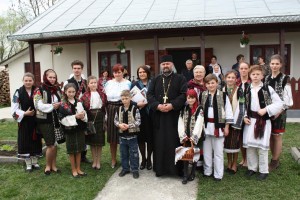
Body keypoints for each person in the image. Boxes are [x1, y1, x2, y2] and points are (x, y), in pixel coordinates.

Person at [147, 55, 187, 177]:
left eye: (168, 64)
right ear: (161, 66)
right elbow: (149, 95)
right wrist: (157, 106)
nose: (166, 66)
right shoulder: (155, 79)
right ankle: (160, 169)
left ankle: (176, 170)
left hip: (174, 117)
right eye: (163, 64)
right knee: (159, 143)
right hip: (159, 117)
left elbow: (184, 94)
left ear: (172, 65)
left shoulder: (180, 78)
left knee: (175, 142)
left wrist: (172, 105)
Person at [243, 65, 283, 181]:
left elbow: (279, 103)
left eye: (257, 74)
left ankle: (263, 170)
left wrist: (266, 109)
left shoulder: (267, 89)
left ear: (262, 76)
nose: (255, 76)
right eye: (253, 74)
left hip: (263, 121)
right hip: (250, 121)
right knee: (250, 146)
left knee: (262, 147)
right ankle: (252, 168)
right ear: (250, 76)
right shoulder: (247, 89)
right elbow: (243, 105)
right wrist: (245, 116)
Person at [200, 74, 234, 181]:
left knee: (218, 152)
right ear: (205, 85)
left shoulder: (223, 95)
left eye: (212, 83)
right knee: (207, 151)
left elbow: (228, 111)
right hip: (206, 127)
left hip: (218, 127)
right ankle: (207, 171)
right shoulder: (203, 95)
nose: (211, 85)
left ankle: (218, 174)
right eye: (208, 83)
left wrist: (227, 126)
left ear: (217, 83)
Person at [264, 54, 293, 171]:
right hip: (269, 110)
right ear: (269, 64)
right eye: (272, 63)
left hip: (279, 112)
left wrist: (279, 111)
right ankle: (274, 157)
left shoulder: (285, 78)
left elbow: (287, 98)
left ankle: (275, 161)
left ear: (281, 65)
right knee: (270, 135)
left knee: (277, 136)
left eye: (277, 64)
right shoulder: (266, 78)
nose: (274, 66)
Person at [11, 72, 42, 172]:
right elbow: (13, 110)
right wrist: (25, 113)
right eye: (26, 80)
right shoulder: (17, 92)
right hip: (24, 121)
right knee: (25, 141)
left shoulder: (37, 91)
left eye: (30, 80)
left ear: (33, 81)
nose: (28, 82)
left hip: (35, 121)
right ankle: (28, 163)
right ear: (23, 81)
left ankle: (35, 161)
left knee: (36, 140)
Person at [33, 69, 62, 175]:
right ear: (45, 77)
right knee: (50, 145)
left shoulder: (57, 88)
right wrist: (52, 106)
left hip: (56, 119)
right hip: (45, 120)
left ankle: (54, 165)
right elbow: (38, 105)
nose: (52, 79)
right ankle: (48, 166)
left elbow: (61, 100)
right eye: (50, 77)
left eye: (54, 77)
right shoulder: (39, 89)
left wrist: (60, 104)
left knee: (55, 144)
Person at [63, 60, 90, 164]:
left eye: (79, 68)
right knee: (74, 131)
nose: (77, 70)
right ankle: (75, 153)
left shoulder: (85, 81)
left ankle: (83, 155)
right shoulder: (68, 82)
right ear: (72, 69)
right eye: (75, 68)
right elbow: (64, 96)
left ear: (82, 69)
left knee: (84, 132)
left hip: (83, 108)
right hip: (71, 110)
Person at [105, 64, 131, 168]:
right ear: (113, 73)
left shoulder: (128, 83)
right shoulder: (108, 83)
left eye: (119, 72)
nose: (117, 74)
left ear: (123, 72)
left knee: (125, 134)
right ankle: (113, 159)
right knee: (112, 137)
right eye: (115, 72)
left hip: (123, 108)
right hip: (111, 108)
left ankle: (126, 159)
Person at [59, 83, 87, 178]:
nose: (71, 93)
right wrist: (75, 116)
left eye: (73, 92)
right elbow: (62, 119)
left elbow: (84, 113)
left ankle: (78, 168)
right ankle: (73, 169)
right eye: (69, 92)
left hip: (79, 128)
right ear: (65, 92)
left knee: (79, 149)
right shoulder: (63, 104)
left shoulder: (79, 102)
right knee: (72, 150)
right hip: (69, 130)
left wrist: (83, 115)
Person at [176, 89, 204, 184]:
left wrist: (194, 136)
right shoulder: (184, 109)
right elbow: (180, 121)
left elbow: (199, 123)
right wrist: (183, 135)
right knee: (185, 155)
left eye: (192, 98)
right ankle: (185, 174)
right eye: (189, 98)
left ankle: (192, 173)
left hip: (195, 136)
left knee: (194, 154)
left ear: (196, 98)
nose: (191, 100)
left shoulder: (200, 109)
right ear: (186, 98)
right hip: (186, 136)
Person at [80, 76, 107, 170]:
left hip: (100, 117)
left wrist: (105, 120)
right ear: (88, 84)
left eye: (95, 82)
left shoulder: (102, 95)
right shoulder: (84, 96)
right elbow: (82, 108)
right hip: (90, 118)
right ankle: (94, 161)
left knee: (99, 142)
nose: (93, 84)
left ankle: (98, 161)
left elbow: (105, 108)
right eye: (91, 83)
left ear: (97, 83)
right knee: (92, 142)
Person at [114, 90, 141, 179]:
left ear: (130, 98)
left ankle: (135, 169)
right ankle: (125, 168)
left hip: (132, 136)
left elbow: (138, 121)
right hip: (122, 137)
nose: (124, 100)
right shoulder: (118, 109)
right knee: (123, 153)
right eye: (123, 99)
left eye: (126, 98)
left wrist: (128, 126)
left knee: (134, 153)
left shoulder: (135, 109)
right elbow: (115, 120)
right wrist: (119, 125)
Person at [130, 65, 153, 170]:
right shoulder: (134, 84)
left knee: (150, 138)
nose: (142, 74)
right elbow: (130, 99)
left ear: (147, 72)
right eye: (140, 72)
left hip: (152, 113)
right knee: (141, 138)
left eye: (144, 72)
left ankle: (149, 159)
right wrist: (137, 104)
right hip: (140, 114)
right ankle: (143, 159)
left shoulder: (153, 82)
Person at [222, 70, 245, 174]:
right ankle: (229, 162)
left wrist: (238, 121)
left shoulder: (240, 90)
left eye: (233, 78)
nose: (230, 79)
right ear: (225, 78)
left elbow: (242, 106)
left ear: (236, 79)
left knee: (235, 143)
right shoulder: (222, 90)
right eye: (229, 77)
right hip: (225, 120)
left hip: (236, 120)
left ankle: (235, 163)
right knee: (227, 142)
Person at [187, 65, 206, 170]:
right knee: (194, 137)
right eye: (196, 72)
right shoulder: (189, 85)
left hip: (206, 116)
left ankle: (203, 162)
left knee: (203, 138)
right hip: (193, 115)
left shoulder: (207, 84)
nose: (198, 74)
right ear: (193, 74)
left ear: (204, 73)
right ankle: (194, 162)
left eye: (200, 72)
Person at [236, 62, 251, 168]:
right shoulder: (236, 82)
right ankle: (244, 158)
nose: (244, 70)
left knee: (248, 137)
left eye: (246, 68)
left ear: (249, 69)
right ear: (239, 69)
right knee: (240, 137)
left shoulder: (252, 82)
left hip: (250, 113)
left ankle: (249, 160)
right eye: (241, 68)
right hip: (239, 113)